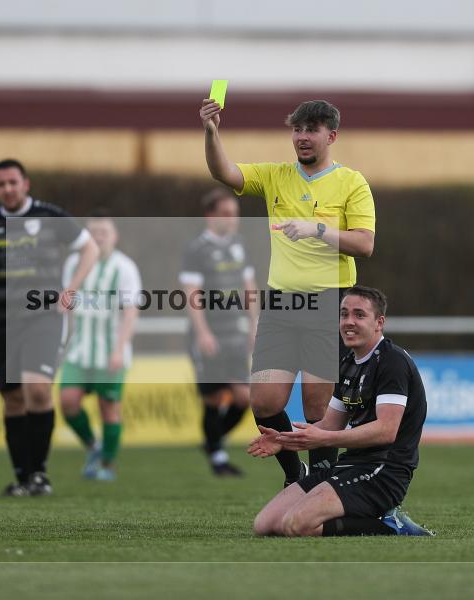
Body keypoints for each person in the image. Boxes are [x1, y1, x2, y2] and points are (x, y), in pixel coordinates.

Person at [200, 97, 376, 486]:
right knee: (263, 401)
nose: (302, 137)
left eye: (311, 130)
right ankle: (295, 472)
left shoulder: (352, 182)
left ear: (331, 135)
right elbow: (223, 172)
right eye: (297, 129)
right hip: (280, 302)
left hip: (330, 300)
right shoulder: (276, 175)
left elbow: (365, 244)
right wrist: (211, 133)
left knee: (318, 406)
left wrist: (318, 230)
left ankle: (322, 482)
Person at [249, 286, 433, 537]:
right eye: (343, 314)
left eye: (359, 315)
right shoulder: (348, 363)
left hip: (383, 472)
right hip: (349, 466)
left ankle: (389, 525)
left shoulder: (392, 361)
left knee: (296, 525)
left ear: (379, 322)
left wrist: (324, 439)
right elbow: (328, 425)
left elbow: (386, 431)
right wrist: (283, 440)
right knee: (265, 525)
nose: (349, 322)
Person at [0, 159, 98, 497]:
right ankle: (22, 477)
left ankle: (39, 474)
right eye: (1, 184)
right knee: (12, 398)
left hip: (44, 317)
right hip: (1, 322)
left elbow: (90, 248)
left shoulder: (50, 216)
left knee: (37, 390)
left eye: (13, 182)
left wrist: (71, 288)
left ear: (26, 184)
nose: (8, 189)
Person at [179, 189, 258, 476]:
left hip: (235, 333)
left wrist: (253, 325)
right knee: (213, 399)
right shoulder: (197, 249)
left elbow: (250, 288)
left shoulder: (239, 244)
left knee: (243, 398)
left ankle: (212, 442)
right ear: (210, 216)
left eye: (235, 214)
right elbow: (192, 294)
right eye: (226, 214)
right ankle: (218, 458)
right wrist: (202, 333)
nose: (233, 219)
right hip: (209, 334)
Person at [59, 211, 141, 481]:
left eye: (104, 232)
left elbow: (130, 312)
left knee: (109, 407)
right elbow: (67, 306)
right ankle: (94, 447)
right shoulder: (73, 263)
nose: (99, 237)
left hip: (110, 352)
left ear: (114, 236)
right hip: (79, 350)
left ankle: (107, 464)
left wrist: (118, 349)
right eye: (94, 232)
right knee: (68, 402)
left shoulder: (124, 267)